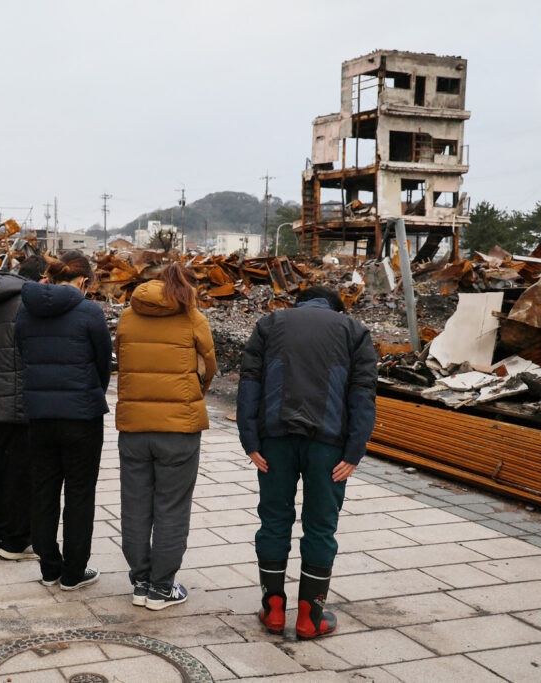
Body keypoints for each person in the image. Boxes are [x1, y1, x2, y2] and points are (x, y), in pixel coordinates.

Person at [236, 285, 376, 640]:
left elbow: (249, 382)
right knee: (320, 527)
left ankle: (273, 610)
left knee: (274, 521)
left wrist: (250, 440)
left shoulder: (270, 323)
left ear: (298, 304)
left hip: (274, 442)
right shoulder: (354, 330)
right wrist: (354, 451)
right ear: (337, 309)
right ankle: (309, 617)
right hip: (329, 447)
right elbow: (363, 392)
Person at [115, 262, 217, 610]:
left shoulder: (128, 316)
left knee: (135, 504)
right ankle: (161, 588)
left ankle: (140, 581)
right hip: (179, 428)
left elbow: (123, 359)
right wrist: (194, 391)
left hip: (133, 426)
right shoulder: (193, 318)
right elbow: (209, 366)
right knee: (172, 507)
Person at [15, 251, 111, 591]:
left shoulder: (26, 310)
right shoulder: (89, 312)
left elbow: (22, 355)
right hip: (82, 417)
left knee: (43, 491)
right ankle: (73, 572)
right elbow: (103, 365)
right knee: (80, 494)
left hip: (40, 416)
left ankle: (49, 566)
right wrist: (90, 392)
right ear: (84, 280)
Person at [0, 255, 48, 559]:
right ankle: (16, 542)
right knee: (19, 475)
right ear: (41, 279)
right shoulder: (27, 306)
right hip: (17, 404)